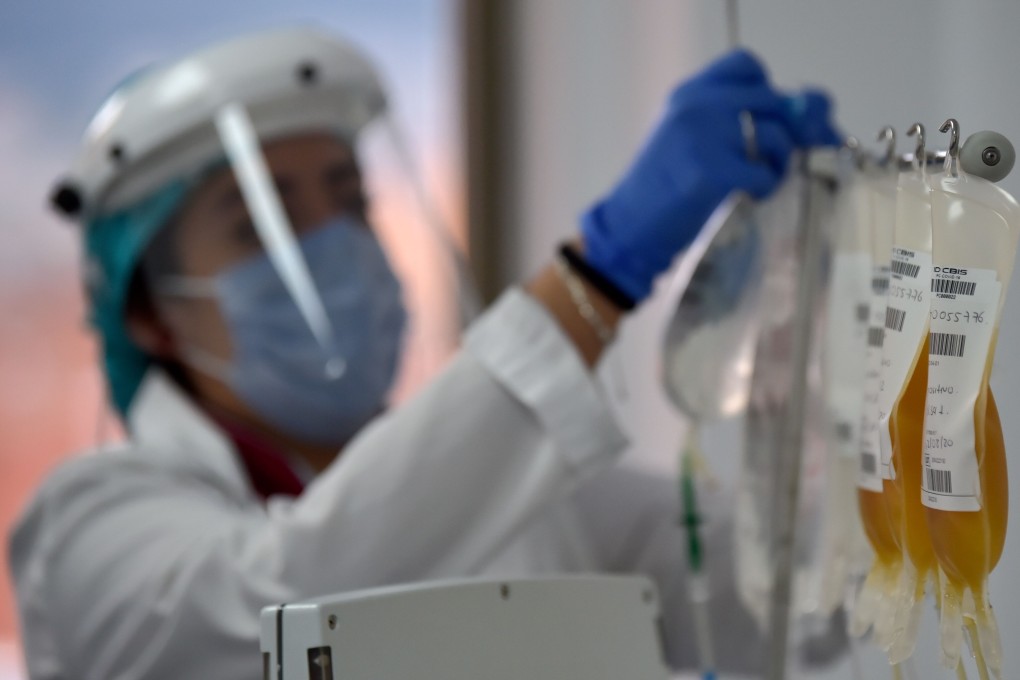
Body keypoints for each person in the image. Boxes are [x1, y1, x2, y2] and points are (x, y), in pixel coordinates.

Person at [8, 26, 840, 680]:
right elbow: (291, 607)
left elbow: (810, 590)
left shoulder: (521, 493)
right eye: (261, 221)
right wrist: (596, 273)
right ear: (150, 314)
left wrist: (876, 301)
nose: (333, 247)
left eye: (350, 201)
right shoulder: (89, 529)